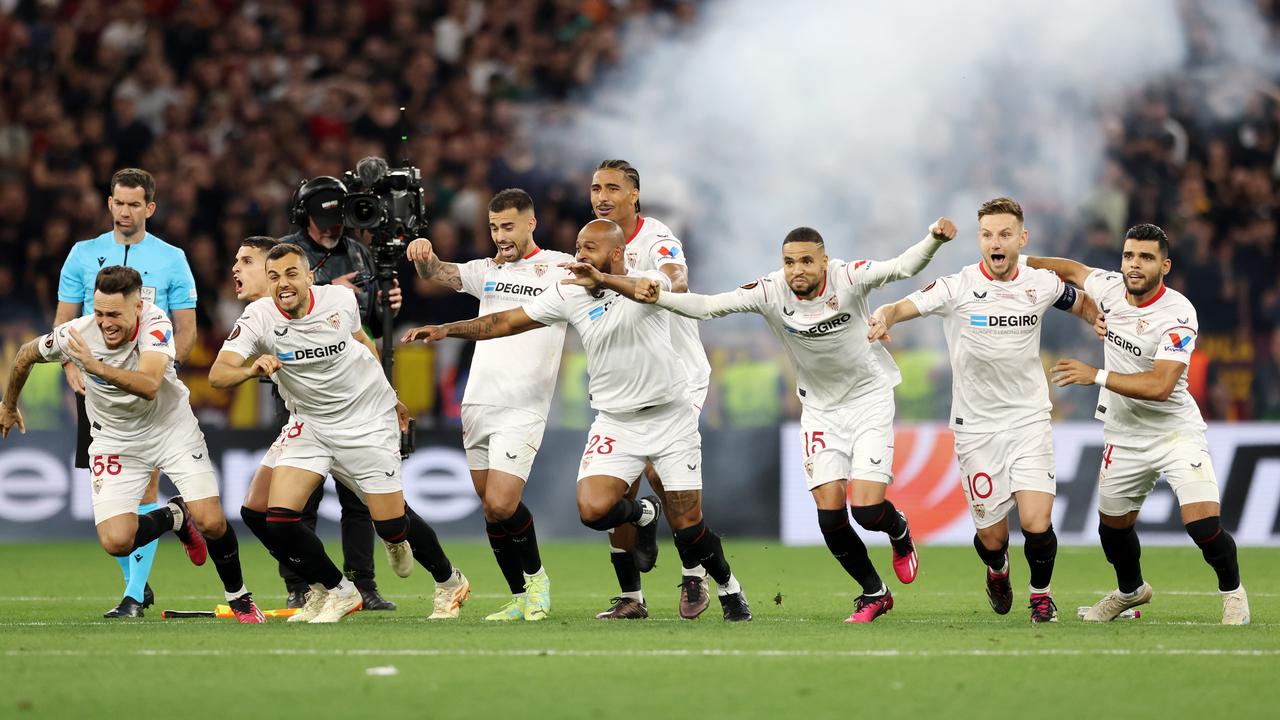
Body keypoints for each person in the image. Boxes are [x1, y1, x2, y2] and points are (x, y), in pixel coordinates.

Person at [403, 219, 752, 621]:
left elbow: (651, 291)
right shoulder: (570, 293)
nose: (580, 255)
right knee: (593, 510)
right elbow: (505, 322)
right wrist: (448, 329)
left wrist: (602, 278)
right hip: (615, 422)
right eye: (579, 247)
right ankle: (643, 515)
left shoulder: (647, 280)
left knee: (690, 526)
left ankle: (729, 588)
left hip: (669, 418)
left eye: (589, 248)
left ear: (617, 253)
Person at [633, 220, 957, 622]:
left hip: (869, 399)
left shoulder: (849, 277)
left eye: (806, 261)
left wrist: (934, 239)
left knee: (868, 511)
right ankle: (874, 593)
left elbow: (903, 267)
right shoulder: (771, 291)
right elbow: (709, 305)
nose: (797, 270)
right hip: (820, 409)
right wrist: (658, 298)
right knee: (830, 514)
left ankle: (898, 531)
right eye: (789, 262)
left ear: (824, 260)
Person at [869, 197, 1100, 623]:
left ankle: (1041, 596)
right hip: (976, 429)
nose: (996, 242)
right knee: (992, 538)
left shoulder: (1040, 283)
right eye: (988, 234)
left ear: (1021, 239)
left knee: (1036, 520)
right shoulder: (956, 287)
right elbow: (898, 306)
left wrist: (1097, 319)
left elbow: (1080, 300)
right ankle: (998, 570)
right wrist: (884, 318)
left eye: (1005, 234)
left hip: (1030, 419)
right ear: (980, 240)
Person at [210, 244, 467, 623]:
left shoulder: (340, 301)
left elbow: (362, 341)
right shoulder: (258, 317)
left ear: (310, 276)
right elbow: (218, 374)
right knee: (271, 516)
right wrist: (251, 370)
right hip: (311, 423)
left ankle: (449, 581)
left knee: (393, 523)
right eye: (275, 276)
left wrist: (390, 397)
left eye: (292, 274)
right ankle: (335, 589)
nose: (283, 283)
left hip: (365, 421)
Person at [2, 266, 263, 623]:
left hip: (170, 428)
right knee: (116, 541)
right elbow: (25, 355)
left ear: (137, 307)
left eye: (114, 314)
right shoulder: (77, 333)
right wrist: (8, 404)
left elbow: (150, 384)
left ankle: (240, 598)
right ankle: (174, 516)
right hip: (115, 440)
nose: (105, 323)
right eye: (99, 313)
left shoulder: (156, 324)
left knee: (212, 521)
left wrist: (95, 366)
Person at [1031, 223, 1249, 624]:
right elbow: (1071, 270)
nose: (1135, 264)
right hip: (1123, 434)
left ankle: (1233, 594)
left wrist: (1094, 375)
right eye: (1129, 255)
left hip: (1174, 432)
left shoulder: (1178, 312)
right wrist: (1015, 264)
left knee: (1202, 524)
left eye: (1146, 258)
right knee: (1112, 531)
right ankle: (1131, 592)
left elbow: (1161, 385)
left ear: (1164, 266)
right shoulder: (1111, 289)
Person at [405, 188, 573, 621]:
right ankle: (520, 597)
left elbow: (498, 324)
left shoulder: (558, 267)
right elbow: (438, 273)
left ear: (531, 223)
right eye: (494, 226)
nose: (500, 235)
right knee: (490, 507)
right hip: (478, 401)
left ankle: (537, 581)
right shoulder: (487, 270)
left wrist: (447, 329)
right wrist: (423, 255)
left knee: (502, 502)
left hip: (523, 403)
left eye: (508, 226)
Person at [54, 168, 197, 618]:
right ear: (109, 203)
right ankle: (138, 578)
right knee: (108, 494)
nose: (125, 211)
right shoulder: (82, 255)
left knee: (143, 487)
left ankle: (134, 595)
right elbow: (64, 322)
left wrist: (163, 370)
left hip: (147, 390)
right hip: (96, 388)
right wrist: (68, 366)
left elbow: (186, 330)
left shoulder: (172, 258)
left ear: (150, 208)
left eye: (135, 204)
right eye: (118, 202)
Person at [588, 159, 714, 620]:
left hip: (677, 374)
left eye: (613, 188)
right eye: (597, 188)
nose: (603, 196)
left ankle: (694, 575)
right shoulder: (593, 243)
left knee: (666, 479)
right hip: (623, 382)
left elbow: (675, 277)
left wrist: (665, 283)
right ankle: (631, 597)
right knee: (622, 485)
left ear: (634, 195)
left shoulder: (657, 236)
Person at [274, 174, 402, 611]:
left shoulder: (359, 249)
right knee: (300, 498)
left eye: (336, 219)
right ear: (303, 216)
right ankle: (303, 584)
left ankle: (363, 584)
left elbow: (364, 323)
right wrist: (330, 292)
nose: (331, 228)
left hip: (355, 394)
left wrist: (386, 305)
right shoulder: (289, 253)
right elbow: (268, 302)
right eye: (321, 219)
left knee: (359, 498)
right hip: (306, 391)